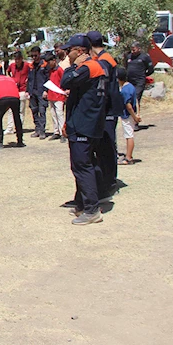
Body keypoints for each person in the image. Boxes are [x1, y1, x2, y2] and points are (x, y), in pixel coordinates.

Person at [60, 34, 107, 225]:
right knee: (88, 164)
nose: (67, 54)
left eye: (69, 50)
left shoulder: (87, 67)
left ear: (79, 51)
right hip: (89, 123)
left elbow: (65, 81)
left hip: (84, 124)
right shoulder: (95, 67)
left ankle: (92, 209)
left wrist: (71, 67)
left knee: (82, 166)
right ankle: (83, 203)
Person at [89, 31, 124, 199]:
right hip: (108, 109)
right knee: (105, 146)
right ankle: (107, 179)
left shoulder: (105, 61)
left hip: (108, 110)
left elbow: (106, 89)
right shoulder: (105, 58)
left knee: (108, 146)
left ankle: (110, 181)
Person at [0, 74, 25, 148]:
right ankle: (20, 141)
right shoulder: (11, 79)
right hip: (15, 98)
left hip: (2, 98)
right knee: (17, 118)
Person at [124, 41, 154, 120]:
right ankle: (130, 117)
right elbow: (126, 67)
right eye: (131, 49)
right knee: (129, 99)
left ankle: (136, 117)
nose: (132, 51)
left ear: (139, 49)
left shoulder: (145, 57)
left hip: (139, 81)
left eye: (134, 49)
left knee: (136, 98)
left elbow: (151, 69)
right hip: (130, 81)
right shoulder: (129, 57)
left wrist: (144, 75)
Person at [117, 67, 141, 165]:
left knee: (129, 136)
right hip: (132, 114)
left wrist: (134, 116)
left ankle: (128, 157)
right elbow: (136, 101)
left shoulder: (124, 91)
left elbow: (128, 106)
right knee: (129, 134)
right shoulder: (131, 86)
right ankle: (128, 156)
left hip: (127, 116)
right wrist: (138, 114)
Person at [44, 53, 67, 143]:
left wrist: (65, 92)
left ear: (54, 61)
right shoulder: (50, 71)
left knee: (59, 114)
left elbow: (64, 81)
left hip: (59, 96)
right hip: (51, 95)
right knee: (53, 114)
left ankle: (63, 133)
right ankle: (56, 131)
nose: (48, 64)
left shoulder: (60, 70)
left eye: (49, 62)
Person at [27, 46, 49, 139]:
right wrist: (28, 91)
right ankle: (37, 129)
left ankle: (42, 131)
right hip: (33, 91)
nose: (34, 57)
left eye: (35, 55)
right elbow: (29, 79)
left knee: (42, 111)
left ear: (39, 54)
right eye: (32, 56)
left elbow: (48, 79)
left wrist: (46, 90)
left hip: (41, 91)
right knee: (34, 110)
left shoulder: (45, 65)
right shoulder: (31, 66)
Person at [5, 50, 29, 135]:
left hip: (22, 89)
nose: (17, 61)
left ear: (22, 58)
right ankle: (10, 128)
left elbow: (31, 72)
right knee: (10, 110)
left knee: (21, 110)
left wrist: (27, 81)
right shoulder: (12, 65)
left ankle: (19, 127)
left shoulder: (26, 65)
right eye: (16, 59)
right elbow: (7, 71)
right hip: (13, 90)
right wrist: (10, 79)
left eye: (18, 59)